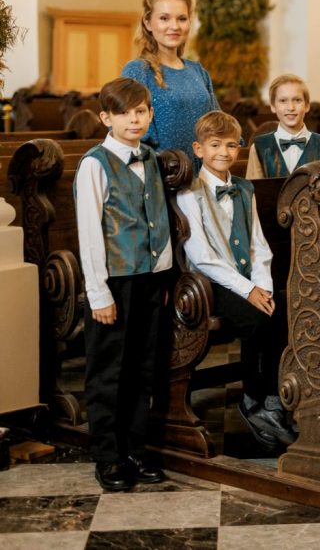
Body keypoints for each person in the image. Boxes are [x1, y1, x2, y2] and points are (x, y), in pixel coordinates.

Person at [74, 77, 172, 491]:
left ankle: (135, 449)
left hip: (150, 278)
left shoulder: (151, 158)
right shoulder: (95, 164)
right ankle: (108, 456)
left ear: (150, 114)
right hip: (114, 282)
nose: (134, 119)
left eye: (141, 111)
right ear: (106, 118)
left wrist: (163, 274)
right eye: (124, 113)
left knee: (142, 368)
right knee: (109, 372)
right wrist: (99, 293)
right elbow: (90, 233)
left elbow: (159, 218)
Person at [176, 111, 294, 450]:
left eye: (230, 146)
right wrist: (248, 289)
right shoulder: (189, 193)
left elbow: (258, 244)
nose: (223, 153)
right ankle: (252, 399)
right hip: (207, 284)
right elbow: (202, 257)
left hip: (247, 279)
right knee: (256, 319)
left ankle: (272, 401)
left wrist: (263, 286)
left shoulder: (244, 188)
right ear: (198, 149)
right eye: (215, 145)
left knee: (282, 308)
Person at [121, 0, 219, 167]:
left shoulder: (198, 71)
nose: (174, 26)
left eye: (182, 19)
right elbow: (129, 135)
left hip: (204, 173)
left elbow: (218, 126)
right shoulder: (137, 71)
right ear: (148, 23)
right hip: (161, 173)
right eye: (164, 18)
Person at [246, 74, 320, 179]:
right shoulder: (259, 147)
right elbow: (254, 188)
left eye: (297, 100)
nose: (291, 107)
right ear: (273, 106)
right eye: (283, 101)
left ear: (307, 105)